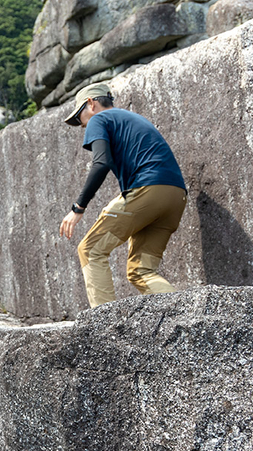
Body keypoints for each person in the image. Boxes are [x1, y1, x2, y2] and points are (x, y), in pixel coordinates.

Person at [58, 82, 187, 308]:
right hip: (175, 195)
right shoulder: (131, 118)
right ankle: (188, 316)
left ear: (91, 103)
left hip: (147, 191)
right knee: (141, 270)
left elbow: (101, 163)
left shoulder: (98, 119)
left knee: (90, 250)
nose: (81, 126)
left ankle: (105, 328)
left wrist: (78, 208)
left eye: (80, 118)